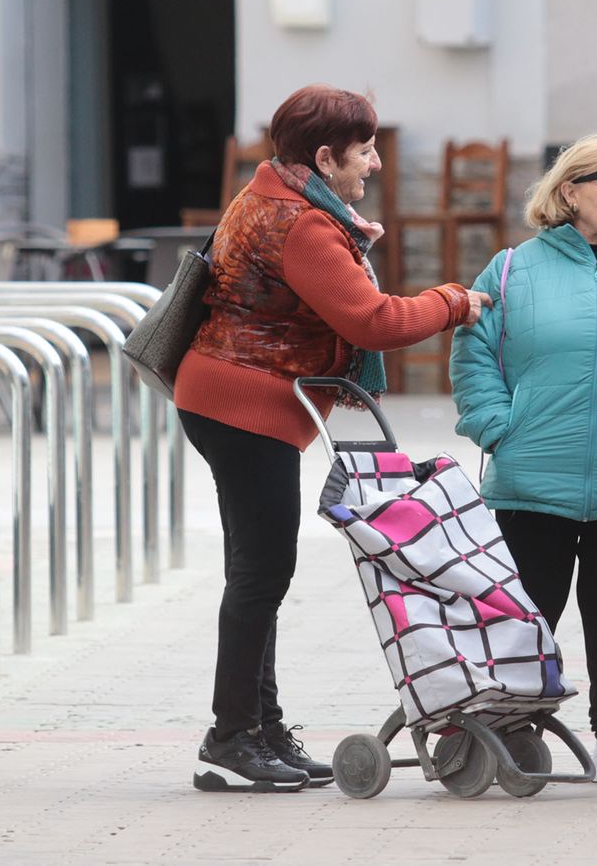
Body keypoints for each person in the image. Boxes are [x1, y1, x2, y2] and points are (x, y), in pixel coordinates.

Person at [175, 84, 492, 793]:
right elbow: (373, 322)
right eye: (366, 150)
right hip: (242, 405)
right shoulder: (303, 224)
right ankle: (233, 734)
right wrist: (454, 302)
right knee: (262, 574)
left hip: (223, 396)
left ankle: (259, 726)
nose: (375, 164)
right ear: (325, 156)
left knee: (256, 572)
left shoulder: (267, 192)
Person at [449, 132, 597, 783]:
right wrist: (499, 428)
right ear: (569, 191)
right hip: (532, 477)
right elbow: (474, 355)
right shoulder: (510, 269)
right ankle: (507, 732)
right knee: (528, 612)